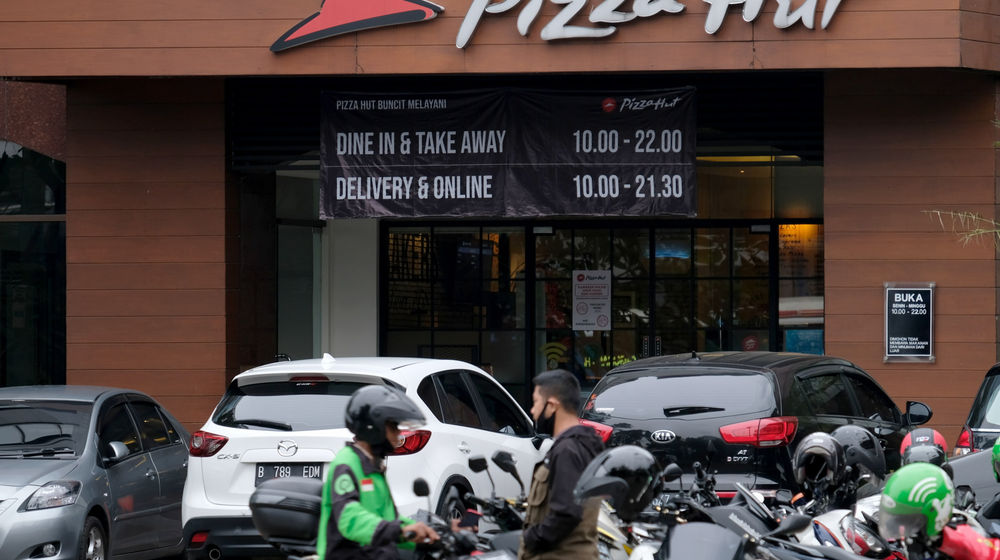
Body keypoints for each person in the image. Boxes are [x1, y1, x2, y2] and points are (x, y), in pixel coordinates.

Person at [317, 385, 440, 560]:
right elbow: (349, 518)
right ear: (373, 426)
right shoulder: (346, 464)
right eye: (393, 427)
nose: (398, 433)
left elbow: (388, 521)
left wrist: (428, 533)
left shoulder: (373, 467)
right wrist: (399, 530)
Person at [519, 369, 604, 560]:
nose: (532, 411)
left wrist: (531, 537)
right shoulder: (576, 445)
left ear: (551, 406)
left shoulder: (568, 450)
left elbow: (566, 513)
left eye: (535, 403)